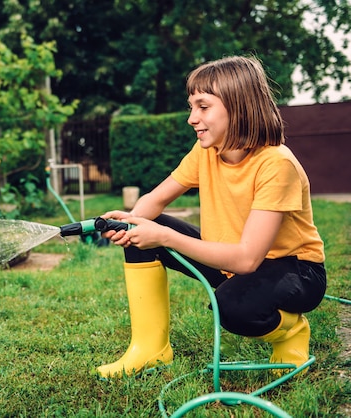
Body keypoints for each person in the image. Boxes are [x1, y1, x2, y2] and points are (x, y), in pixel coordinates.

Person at [97, 55, 327, 379]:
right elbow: (157, 199)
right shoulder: (206, 151)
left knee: (232, 307)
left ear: (239, 106)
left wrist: (163, 237)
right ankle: (151, 349)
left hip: (295, 270)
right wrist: (129, 223)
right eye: (192, 106)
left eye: (203, 106)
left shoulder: (276, 164)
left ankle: (291, 332)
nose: (192, 118)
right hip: (230, 261)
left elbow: (247, 259)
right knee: (142, 227)